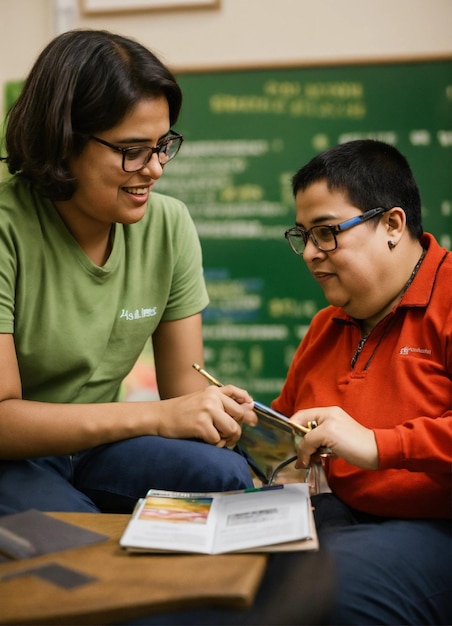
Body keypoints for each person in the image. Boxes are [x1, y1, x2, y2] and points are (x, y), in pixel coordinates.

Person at [0, 29, 258, 516]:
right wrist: (159, 417)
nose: (156, 168)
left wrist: (221, 414)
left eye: (164, 145)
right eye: (133, 149)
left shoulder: (169, 224)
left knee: (225, 476)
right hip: (14, 456)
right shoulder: (6, 226)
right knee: (71, 533)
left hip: (102, 447)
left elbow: (184, 390)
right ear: (62, 141)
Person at [274, 139, 452, 625]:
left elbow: (375, 445)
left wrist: (379, 445)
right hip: (344, 519)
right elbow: (286, 424)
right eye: (303, 235)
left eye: (327, 232)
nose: (310, 254)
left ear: (392, 225)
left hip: (435, 528)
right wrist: (250, 428)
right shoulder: (326, 326)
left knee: (329, 589)